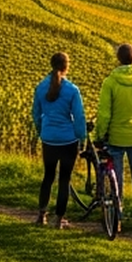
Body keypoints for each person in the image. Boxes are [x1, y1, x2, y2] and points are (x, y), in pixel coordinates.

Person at [95, 43, 132, 229]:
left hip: (116, 136)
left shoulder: (110, 82)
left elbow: (104, 113)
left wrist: (100, 133)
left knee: (117, 177)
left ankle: (117, 217)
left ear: (118, 59)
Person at [31, 51, 85, 227]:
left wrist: (42, 131)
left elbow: (36, 114)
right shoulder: (72, 90)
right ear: (66, 67)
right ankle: (59, 219)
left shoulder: (40, 88)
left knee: (48, 176)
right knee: (64, 179)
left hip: (49, 139)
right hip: (68, 141)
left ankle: (41, 215)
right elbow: (79, 117)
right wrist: (81, 137)